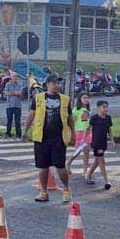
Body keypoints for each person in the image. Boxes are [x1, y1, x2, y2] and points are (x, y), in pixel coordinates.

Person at [23, 73, 71, 204]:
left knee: (60, 166)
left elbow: (70, 118)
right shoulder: (38, 98)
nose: (57, 85)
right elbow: (31, 114)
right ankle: (44, 192)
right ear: (48, 84)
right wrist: (25, 130)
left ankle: (66, 189)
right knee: (43, 166)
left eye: (58, 83)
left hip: (59, 139)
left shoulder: (65, 99)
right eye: (54, 83)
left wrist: (71, 134)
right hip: (42, 138)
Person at [84, 100, 114, 190]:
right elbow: (88, 129)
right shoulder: (94, 118)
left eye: (106, 107)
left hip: (103, 142)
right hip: (96, 143)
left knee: (97, 160)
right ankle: (106, 181)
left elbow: (109, 131)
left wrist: (112, 140)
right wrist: (84, 139)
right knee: (101, 161)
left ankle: (88, 175)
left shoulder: (108, 118)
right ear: (98, 108)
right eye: (103, 107)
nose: (105, 109)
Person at [66, 93, 92, 173]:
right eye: (84, 98)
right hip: (79, 132)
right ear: (80, 100)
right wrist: (71, 132)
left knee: (87, 153)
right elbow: (72, 121)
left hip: (87, 133)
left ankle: (85, 171)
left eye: (87, 98)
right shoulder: (76, 109)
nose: (86, 99)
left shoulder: (88, 109)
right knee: (77, 151)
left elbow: (89, 122)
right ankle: (68, 164)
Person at [3, 70, 24, 138]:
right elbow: (6, 93)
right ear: (11, 77)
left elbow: (20, 93)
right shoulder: (7, 84)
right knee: (9, 121)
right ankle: (8, 134)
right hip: (9, 106)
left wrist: (12, 93)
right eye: (14, 76)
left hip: (17, 106)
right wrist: (15, 93)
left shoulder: (20, 84)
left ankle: (19, 135)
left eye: (16, 76)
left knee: (17, 122)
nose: (15, 78)